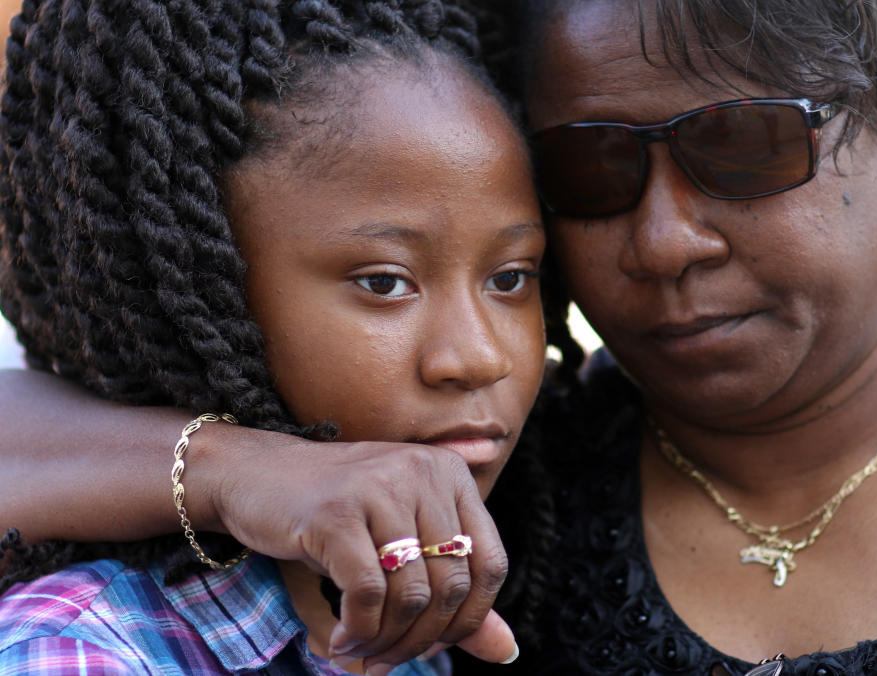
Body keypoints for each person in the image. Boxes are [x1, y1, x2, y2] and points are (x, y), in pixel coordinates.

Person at [4, 0, 877, 674]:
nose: (666, 241)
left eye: (743, 143)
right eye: (592, 167)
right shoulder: (499, 472)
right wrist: (234, 466)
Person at [0, 0, 548, 673]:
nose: (478, 357)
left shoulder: (489, 568)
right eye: (384, 282)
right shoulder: (83, 648)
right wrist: (231, 467)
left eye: (512, 277)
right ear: (193, 285)